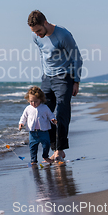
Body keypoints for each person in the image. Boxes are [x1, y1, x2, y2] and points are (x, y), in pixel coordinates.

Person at [27, 10, 83, 161]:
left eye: (39, 30)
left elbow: (77, 57)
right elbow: (42, 55)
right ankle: (55, 149)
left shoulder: (63, 35)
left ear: (45, 23)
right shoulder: (36, 36)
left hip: (64, 77)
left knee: (61, 113)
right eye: (34, 31)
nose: (37, 34)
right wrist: (44, 76)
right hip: (47, 78)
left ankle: (60, 149)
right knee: (43, 113)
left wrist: (76, 81)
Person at [19, 86, 57, 165]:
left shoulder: (44, 107)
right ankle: (33, 160)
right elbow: (24, 117)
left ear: (41, 99)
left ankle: (45, 156)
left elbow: (50, 115)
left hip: (43, 131)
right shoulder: (28, 108)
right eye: (31, 101)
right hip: (32, 132)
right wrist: (21, 123)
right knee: (33, 147)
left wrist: (53, 119)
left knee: (46, 144)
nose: (33, 103)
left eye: (35, 101)